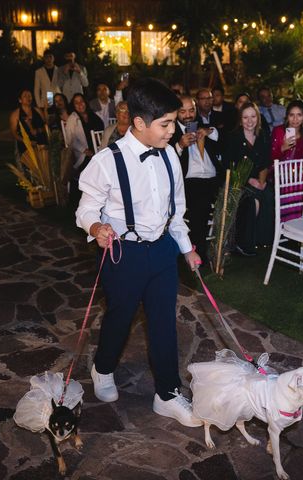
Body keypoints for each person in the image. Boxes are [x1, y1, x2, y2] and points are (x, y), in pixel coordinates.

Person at [75, 78, 202, 427]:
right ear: (140, 123)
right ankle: (103, 368)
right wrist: (95, 227)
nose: (173, 131)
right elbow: (85, 209)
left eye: (174, 122)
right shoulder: (106, 161)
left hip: (162, 252)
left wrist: (187, 248)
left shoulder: (171, 157)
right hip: (123, 254)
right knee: (121, 317)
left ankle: (167, 393)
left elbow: (175, 210)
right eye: (166, 124)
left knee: (164, 322)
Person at [171, 95, 222, 265]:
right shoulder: (171, 131)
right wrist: (179, 145)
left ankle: (230, 245)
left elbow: (220, 136)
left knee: (238, 196)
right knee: (200, 202)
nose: (187, 115)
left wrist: (208, 131)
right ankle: (198, 251)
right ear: (176, 112)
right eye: (182, 111)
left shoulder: (202, 126)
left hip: (213, 177)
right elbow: (166, 160)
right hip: (190, 181)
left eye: (191, 110)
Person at [223, 102, 274, 256]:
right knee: (253, 201)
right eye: (245, 117)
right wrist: (247, 180)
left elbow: (265, 161)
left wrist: (262, 181)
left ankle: (262, 239)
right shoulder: (233, 137)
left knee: (269, 194)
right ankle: (242, 243)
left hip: (259, 180)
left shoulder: (263, 135)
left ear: (258, 118)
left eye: (253, 116)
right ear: (240, 119)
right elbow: (228, 166)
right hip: (238, 182)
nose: (249, 121)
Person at [270, 100, 303, 220]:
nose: (295, 119)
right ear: (287, 117)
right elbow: (270, 157)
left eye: (299, 115)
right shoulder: (279, 131)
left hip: (297, 176)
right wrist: (283, 147)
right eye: (292, 115)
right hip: (280, 175)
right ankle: (288, 223)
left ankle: (302, 224)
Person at [66, 93, 104, 204]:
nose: (80, 104)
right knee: (91, 165)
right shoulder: (73, 118)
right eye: (76, 103)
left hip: (97, 150)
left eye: (81, 101)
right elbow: (70, 140)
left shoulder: (93, 115)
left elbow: (101, 131)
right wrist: (84, 150)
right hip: (81, 153)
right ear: (73, 105)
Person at [9, 89, 48, 158]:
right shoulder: (15, 114)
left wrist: (38, 130)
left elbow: (46, 126)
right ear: (20, 100)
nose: (28, 97)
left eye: (29, 95)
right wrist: (27, 142)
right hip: (25, 148)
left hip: (42, 145)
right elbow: (14, 133)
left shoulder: (38, 111)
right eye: (25, 96)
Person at [34, 50, 60, 117]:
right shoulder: (39, 72)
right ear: (44, 59)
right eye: (46, 57)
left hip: (58, 98)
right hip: (45, 100)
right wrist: (39, 105)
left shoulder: (59, 70)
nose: (48, 59)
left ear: (53, 58)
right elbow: (36, 89)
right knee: (48, 120)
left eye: (50, 57)